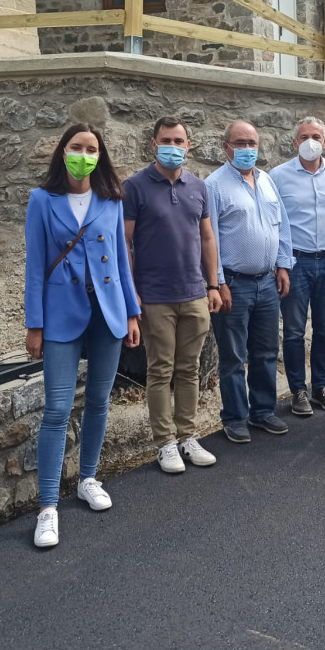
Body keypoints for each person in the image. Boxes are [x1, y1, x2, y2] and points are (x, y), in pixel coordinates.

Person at [24, 123, 141, 548]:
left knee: (98, 400)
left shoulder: (111, 199)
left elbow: (123, 262)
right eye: (77, 147)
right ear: (63, 151)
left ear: (100, 155)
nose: (84, 154)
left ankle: (89, 477)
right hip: (60, 315)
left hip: (107, 310)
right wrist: (33, 324)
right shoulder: (42, 200)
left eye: (92, 148)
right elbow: (35, 265)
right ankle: (48, 507)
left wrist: (132, 313)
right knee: (56, 410)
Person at [123, 116, 222, 475]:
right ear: (153, 144)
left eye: (179, 140)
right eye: (166, 139)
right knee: (160, 369)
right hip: (155, 296)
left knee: (190, 368)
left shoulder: (198, 186)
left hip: (194, 293)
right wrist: (131, 294)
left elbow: (207, 238)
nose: (173, 146)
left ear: (188, 145)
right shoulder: (134, 187)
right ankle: (165, 443)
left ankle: (188, 436)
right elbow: (125, 243)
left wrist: (212, 285)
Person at [206, 120, 293, 443]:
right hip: (234, 283)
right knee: (232, 356)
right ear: (226, 147)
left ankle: (262, 411)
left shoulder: (267, 180)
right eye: (240, 143)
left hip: (267, 282)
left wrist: (283, 264)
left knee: (267, 351)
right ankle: (234, 417)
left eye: (252, 143)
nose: (247, 149)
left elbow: (281, 226)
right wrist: (217, 282)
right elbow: (208, 237)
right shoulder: (213, 185)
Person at [270, 117, 325, 416]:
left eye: (315, 135)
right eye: (303, 136)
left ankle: (320, 386)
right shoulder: (278, 176)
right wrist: (281, 263)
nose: (309, 141)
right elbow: (275, 222)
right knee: (293, 331)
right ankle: (298, 390)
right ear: (294, 143)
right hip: (296, 263)